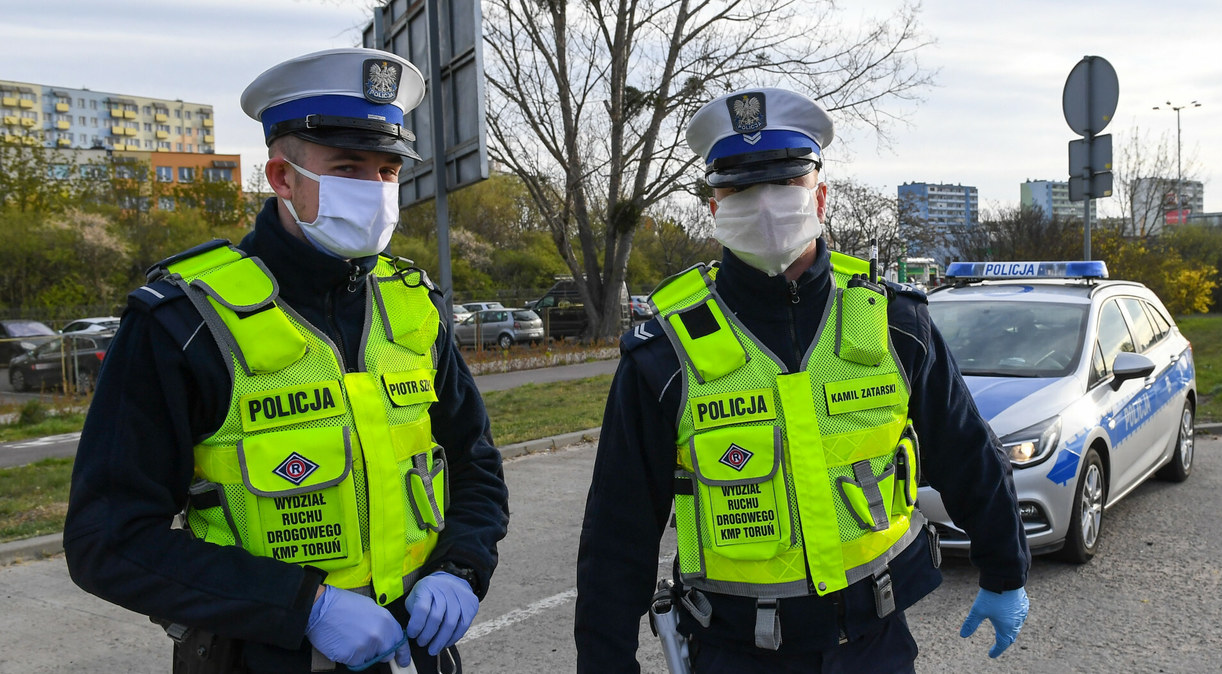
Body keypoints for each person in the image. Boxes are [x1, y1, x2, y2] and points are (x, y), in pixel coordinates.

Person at [64, 48, 509, 673]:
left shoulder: (413, 306)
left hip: (416, 655)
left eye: (387, 172)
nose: (374, 191)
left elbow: (474, 464)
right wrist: (304, 608)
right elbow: (107, 540)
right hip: (259, 658)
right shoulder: (185, 320)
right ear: (282, 178)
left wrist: (463, 567)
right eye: (348, 167)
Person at [574, 88, 1029, 673]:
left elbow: (967, 450)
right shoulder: (664, 355)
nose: (764, 206)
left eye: (784, 184)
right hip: (737, 654)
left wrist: (1005, 567)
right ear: (714, 209)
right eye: (739, 188)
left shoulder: (895, 323)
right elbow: (617, 532)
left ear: (820, 194)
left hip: (874, 647)